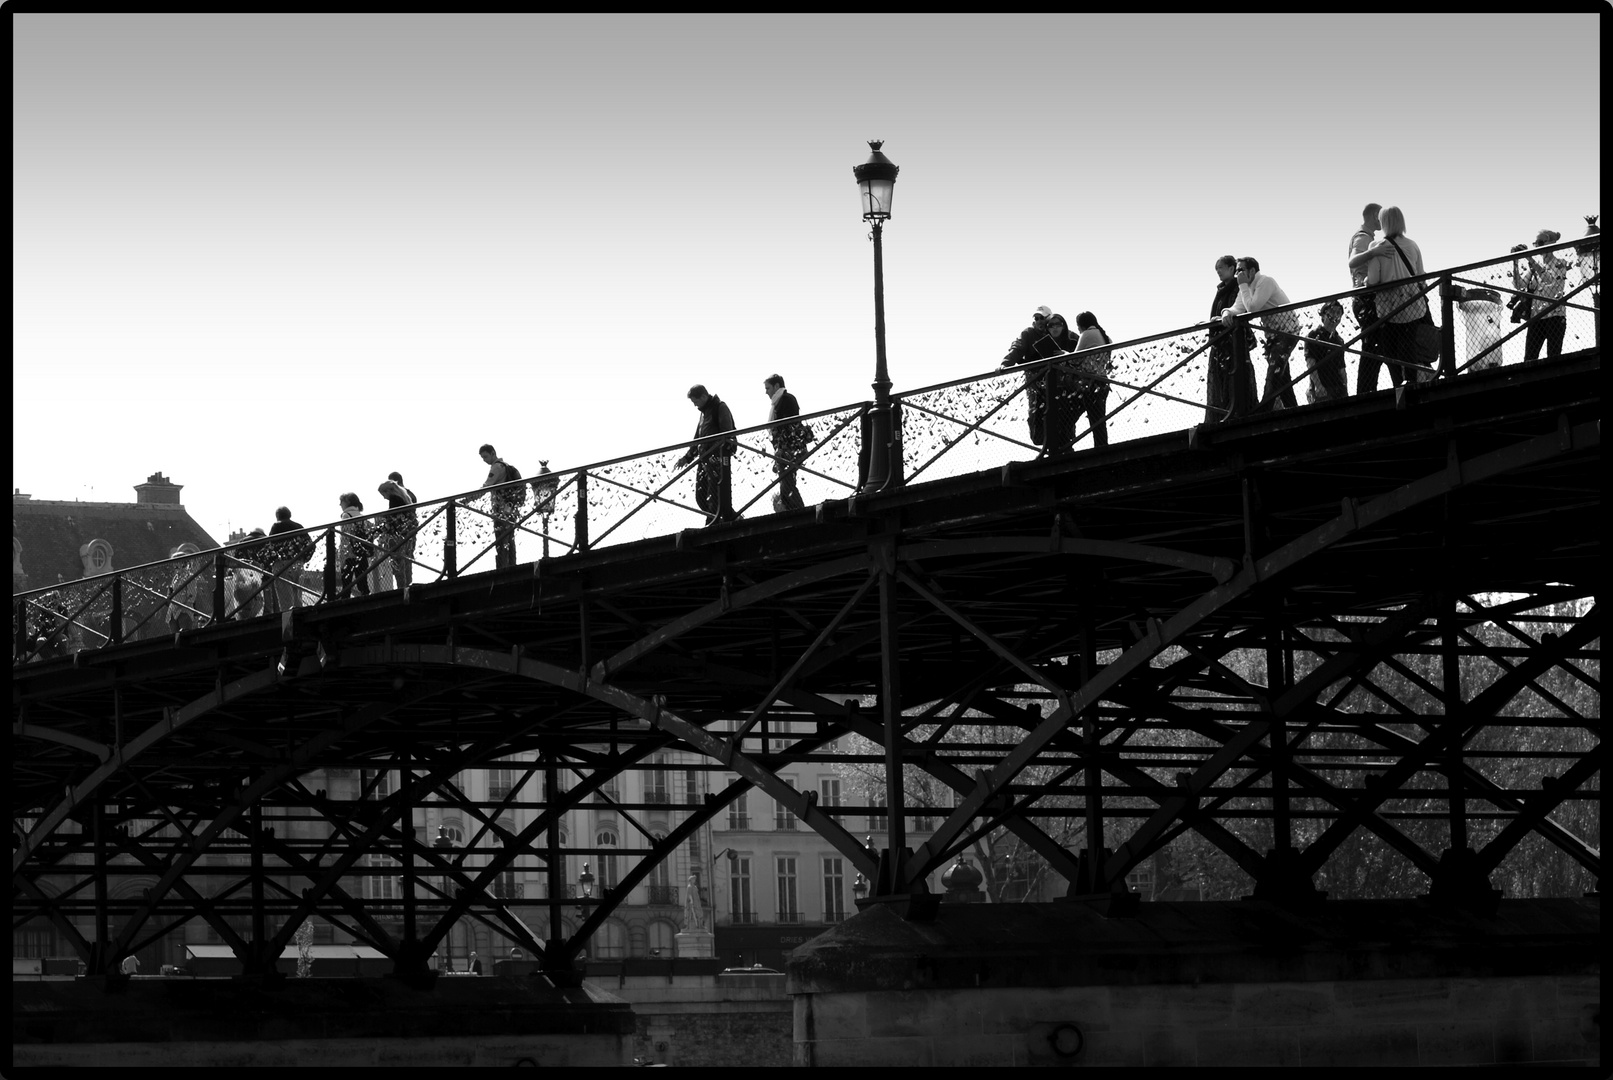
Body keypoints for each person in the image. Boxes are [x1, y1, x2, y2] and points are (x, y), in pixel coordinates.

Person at [1220, 257, 1301, 411]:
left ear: (1252, 271)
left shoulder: (1265, 281)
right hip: (1272, 336)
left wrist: (1242, 285)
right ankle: (1294, 409)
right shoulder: (1246, 288)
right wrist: (1225, 312)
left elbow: (1252, 307)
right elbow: (1238, 307)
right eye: (1237, 271)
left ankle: (1262, 411)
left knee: (1274, 371)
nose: (1238, 274)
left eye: (1241, 270)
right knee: (1282, 376)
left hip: (1288, 331)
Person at [1362, 206, 1430, 386]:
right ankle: (1411, 382)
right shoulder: (1413, 245)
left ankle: (1397, 385)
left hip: (1389, 307)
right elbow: (1421, 275)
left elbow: (1374, 280)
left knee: (1389, 349)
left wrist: (1366, 281)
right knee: (1408, 346)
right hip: (1412, 303)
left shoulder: (1376, 246)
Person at [675, 385, 738, 526]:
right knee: (702, 496)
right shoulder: (703, 413)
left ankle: (713, 522)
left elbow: (727, 433)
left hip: (717, 459)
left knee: (715, 494)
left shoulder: (720, 407)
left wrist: (718, 450)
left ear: (703, 396)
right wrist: (687, 457)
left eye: (695, 401)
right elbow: (698, 438)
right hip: (705, 460)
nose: (694, 405)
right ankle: (728, 518)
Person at [1204, 256, 1256, 423]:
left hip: (1234, 342)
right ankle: (1222, 414)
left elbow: (1239, 309)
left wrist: (1221, 319)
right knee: (1220, 382)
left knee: (1235, 379)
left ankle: (1237, 413)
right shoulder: (1221, 290)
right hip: (1221, 342)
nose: (1218, 272)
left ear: (1232, 268)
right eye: (1216, 269)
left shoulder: (1237, 288)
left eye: (1221, 268)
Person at [1001, 306, 1055, 446]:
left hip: (1055, 382)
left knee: (1058, 416)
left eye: (1041, 318)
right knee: (1036, 419)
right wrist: (1006, 364)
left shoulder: (1056, 329)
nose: (1038, 321)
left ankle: (1060, 449)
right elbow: (1017, 348)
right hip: (1035, 385)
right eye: (1036, 318)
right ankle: (1047, 448)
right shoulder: (1028, 334)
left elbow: (1073, 341)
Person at [1514, 229, 1569, 362]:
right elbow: (1519, 285)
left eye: (1540, 242)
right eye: (1535, 243)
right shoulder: (1533, 268)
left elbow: (1549, 279)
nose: (1537, 247)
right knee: (1529, 359)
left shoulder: (1561, 263)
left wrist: (1530, 259)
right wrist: (1515, 262)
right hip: (1537, 317)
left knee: (1553, 357)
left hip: (1555, 316)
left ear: (1551, 243)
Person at [1347, 203, 1383, 381]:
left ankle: (1367, 388)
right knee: (1372, 348)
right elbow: (1353, 261)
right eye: (1381, 215)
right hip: (1365, 299)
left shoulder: (1366, 236)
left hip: (1364, 298)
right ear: (1375, 214)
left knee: (1375, 347)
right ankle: (1365, 389)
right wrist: (1374, 251)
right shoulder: (1363, 238)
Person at [764, 374, 810, 511]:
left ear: (777, 386)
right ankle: (796, 511)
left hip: (790, 448)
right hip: (787, 449)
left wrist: (782, 448)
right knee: (787, 482)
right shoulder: (780, 401)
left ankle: (798, 512)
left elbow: (788, 427)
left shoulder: (786, 400)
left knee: (786, 484)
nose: (766, 392)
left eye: (768, 388)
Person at [1068, 312, 1112, 449]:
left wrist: (1063, 354)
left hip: (1090, 384)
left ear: (1081, 325)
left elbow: (1074, 359)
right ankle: (1101, 447)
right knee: (1098, 419)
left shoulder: (1087, 335)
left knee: (1070, 416)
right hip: (1103, 382)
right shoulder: (1105, 337)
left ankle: (1065, 445)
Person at [477, 445, 523, 568]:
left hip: (501, 510)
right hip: (510, 509)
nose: (484, 460)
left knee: (501, 539)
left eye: (485, 456)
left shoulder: (497, 467)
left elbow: (487, 486)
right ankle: (512, 564)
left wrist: (468, 499)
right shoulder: (506, 466)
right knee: (510, 539)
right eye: (482, 458)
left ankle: (503, 567)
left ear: (493, 453)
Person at [376, 472, 418, 590]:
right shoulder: (408, 496)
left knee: (398, 565)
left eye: (383, 494)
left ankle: (401, 590)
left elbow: (393, 517)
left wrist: (383, 524)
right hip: (409, 534)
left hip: (398, 535)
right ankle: (408, 587)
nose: (384, 497)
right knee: (407, 561)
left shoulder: (394, 498)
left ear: (389, 490)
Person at [266, 506, 311, 613]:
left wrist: (271, 562)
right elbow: (310, 545)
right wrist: (304, 559)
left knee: (285, 603)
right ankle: (300, 625)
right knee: (298, 600)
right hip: (298, 564)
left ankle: (288, 628)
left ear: (277, 516)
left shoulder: (276, 527)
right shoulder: (298, 526)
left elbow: (270, 546)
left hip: (282, 566)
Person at [1304, 299, 1349, 405]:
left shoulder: (1339, 340)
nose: (1335, 315)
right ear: (1323, 315)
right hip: (1322, 389)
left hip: (1338, 388)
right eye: (1332, 311)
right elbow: (1311, 364)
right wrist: (1319, 386)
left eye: (1339, 312)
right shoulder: (1313, 335)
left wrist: (1345, 387)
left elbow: (1341, 368)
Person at [337, 492, 373, 599]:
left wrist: (342, 555)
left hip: (349, 554)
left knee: (346, 583)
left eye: (341, 502)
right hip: (362, 553)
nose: (340, 504)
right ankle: (367, 601)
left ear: (347, 502)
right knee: (362, 582)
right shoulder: (363, 516)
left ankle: (345, 604)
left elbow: (345, 536)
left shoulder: (346, 515)